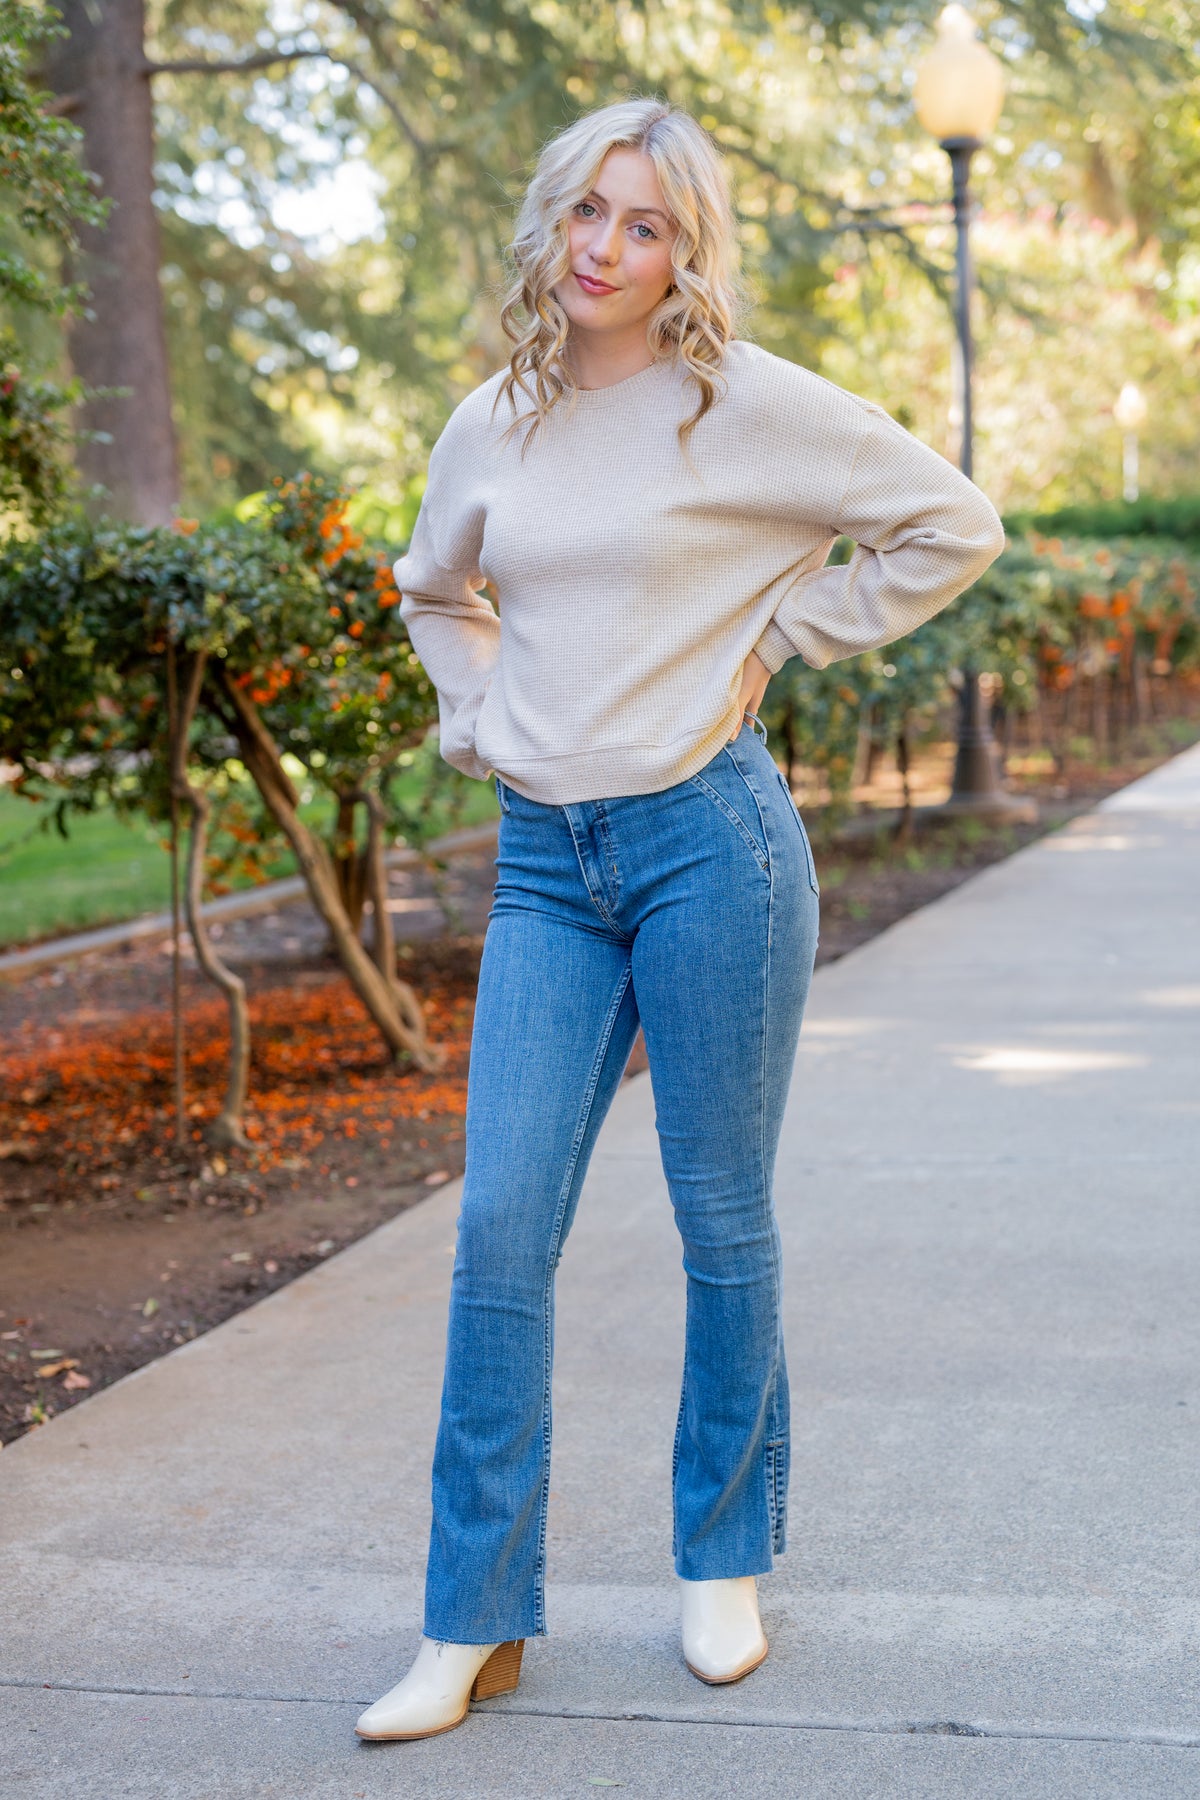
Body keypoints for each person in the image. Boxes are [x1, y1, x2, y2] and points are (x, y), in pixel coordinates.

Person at [356, 94, 1004, 1744]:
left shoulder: (748, 406)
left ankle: (723, 1560)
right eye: (586, 211)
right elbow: (438, 590)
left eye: (644, 225)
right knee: (501, 1229)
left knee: (722, 1214)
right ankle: (471, 1619)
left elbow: (951, 525)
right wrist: (478, 710)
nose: (605, 248)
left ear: (683, 251)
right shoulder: (488, 423)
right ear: (551, 221)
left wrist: (788, 629)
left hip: (713, 841)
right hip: (542, 865)